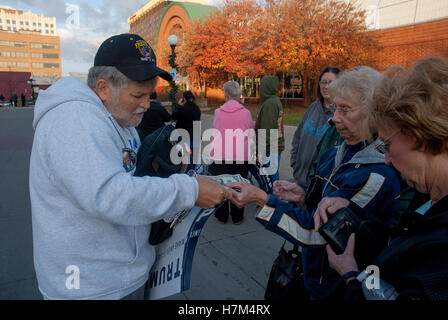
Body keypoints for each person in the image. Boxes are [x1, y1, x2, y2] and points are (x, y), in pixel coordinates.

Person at [29, 33, 231, 300]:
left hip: (119, 276)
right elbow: (110, 195)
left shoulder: (119, 118)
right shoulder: (73, 120)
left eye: (149, 95)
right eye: (138, 95)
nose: (147, 105)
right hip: (92, 288)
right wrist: (189, 190)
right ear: (103, 88)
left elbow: (130, 176)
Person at [228, 66, 401, 300]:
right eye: (334, 108)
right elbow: (318, 207)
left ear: (372, 115)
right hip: (312, 276)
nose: (334, 118)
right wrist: (302, 197)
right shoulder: (332, 154)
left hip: (339, 289)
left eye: (345, 110)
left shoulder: (375, 177)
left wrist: (261, 198)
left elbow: (316, 233)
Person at [324, 57, 448, 300]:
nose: (388, 159)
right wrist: (356, 216)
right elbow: (399, 245)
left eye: (388, 145)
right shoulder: (428, 198)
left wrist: (350, 278)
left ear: (419, 137)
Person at [208, 80, 254, 224]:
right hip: (240, 156)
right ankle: (237, 217)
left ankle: (222, 216)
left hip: (221, 155)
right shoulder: (246, 113)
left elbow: (216, 132)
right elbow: (250, 133)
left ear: (226, 94)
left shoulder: (218, 112)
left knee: (221, 186)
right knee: (239, 187)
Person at [290, 67, 340, 189]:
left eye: (331, 82)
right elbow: (298, 136)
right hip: (300, 179)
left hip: (320, 186)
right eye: (323, 82)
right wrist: (295, 162)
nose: (326, 86)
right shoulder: (312, 108)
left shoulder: (340, 116)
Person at [254, 75, 285, 184]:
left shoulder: (270, 104)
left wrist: (261, 151)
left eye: (263, 85)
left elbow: (266, 131)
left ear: (268, 87)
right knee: (272, 177)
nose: (260, 88)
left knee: (271, 181)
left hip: (270, 147)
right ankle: (274, 198)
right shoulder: (273, 101)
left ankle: (274, 199)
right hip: (273, 146)